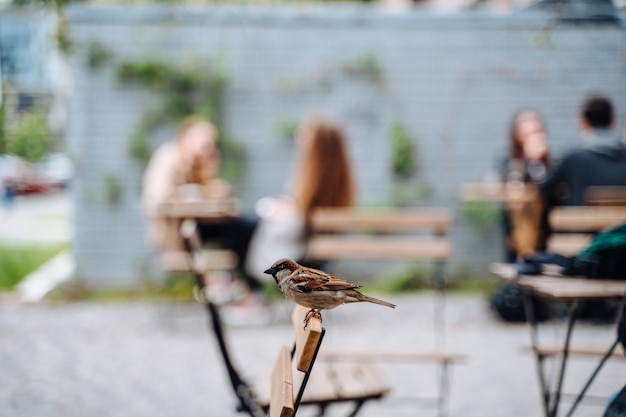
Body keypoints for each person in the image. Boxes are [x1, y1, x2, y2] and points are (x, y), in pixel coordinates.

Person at [142, 116, 260, 294]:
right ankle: (244, 288)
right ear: (187, 137)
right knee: (242, 229)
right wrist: (193, 195)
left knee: (246, 226)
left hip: (199, 225)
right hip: (177, 231)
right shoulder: (169, 158)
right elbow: (159, 197)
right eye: (203, 142)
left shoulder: (197, 163)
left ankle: (236, 285)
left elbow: (217, 193)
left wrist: (210, 167)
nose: (207, 148)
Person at [245, 116, 356, 281]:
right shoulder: (341, 179)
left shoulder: (314, 178)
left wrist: (284, 210)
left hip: (305, 249)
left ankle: (250, 289)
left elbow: (302, 220)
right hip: (320, 248)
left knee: (242, 227)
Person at [540, 93, 626, 207]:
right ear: (613, 119)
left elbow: (542, 190)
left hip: (583, 224)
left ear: (583, 121)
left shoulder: (572, 160)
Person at [500, 109, 552, 262]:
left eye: (536, 132)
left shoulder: (550, 163)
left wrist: (537, 162)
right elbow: (510, 184)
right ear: (517, 135)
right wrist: (529, 160)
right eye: (527, 133)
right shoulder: (507, 160)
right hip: (516, 223)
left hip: (543, 224)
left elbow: (549, 186)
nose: (532, 138)